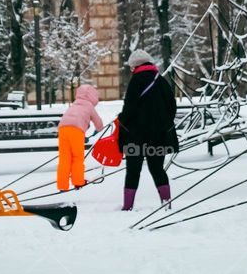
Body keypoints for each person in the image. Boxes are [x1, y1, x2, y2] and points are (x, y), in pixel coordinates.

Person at [118, 49, 178, 211]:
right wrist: (163, 123)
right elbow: (172, 106)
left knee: (133, 170)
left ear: (135, 66)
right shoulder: (161, 81)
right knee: (157, 168)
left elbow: (129, 108)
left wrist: (122, 120)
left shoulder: (135, 81)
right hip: (158, 135)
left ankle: (128, 206)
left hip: (135, 136)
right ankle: (166, 203)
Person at [57, 84, 104, 191]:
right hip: (76, 130)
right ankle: (78, 181)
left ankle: (62, 185)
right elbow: (99, 123)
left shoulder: (74, 104)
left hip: (63, 129)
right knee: (77, 158)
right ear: (92, 96)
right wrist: (98, 130)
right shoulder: (89, 106)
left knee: (64, 158)